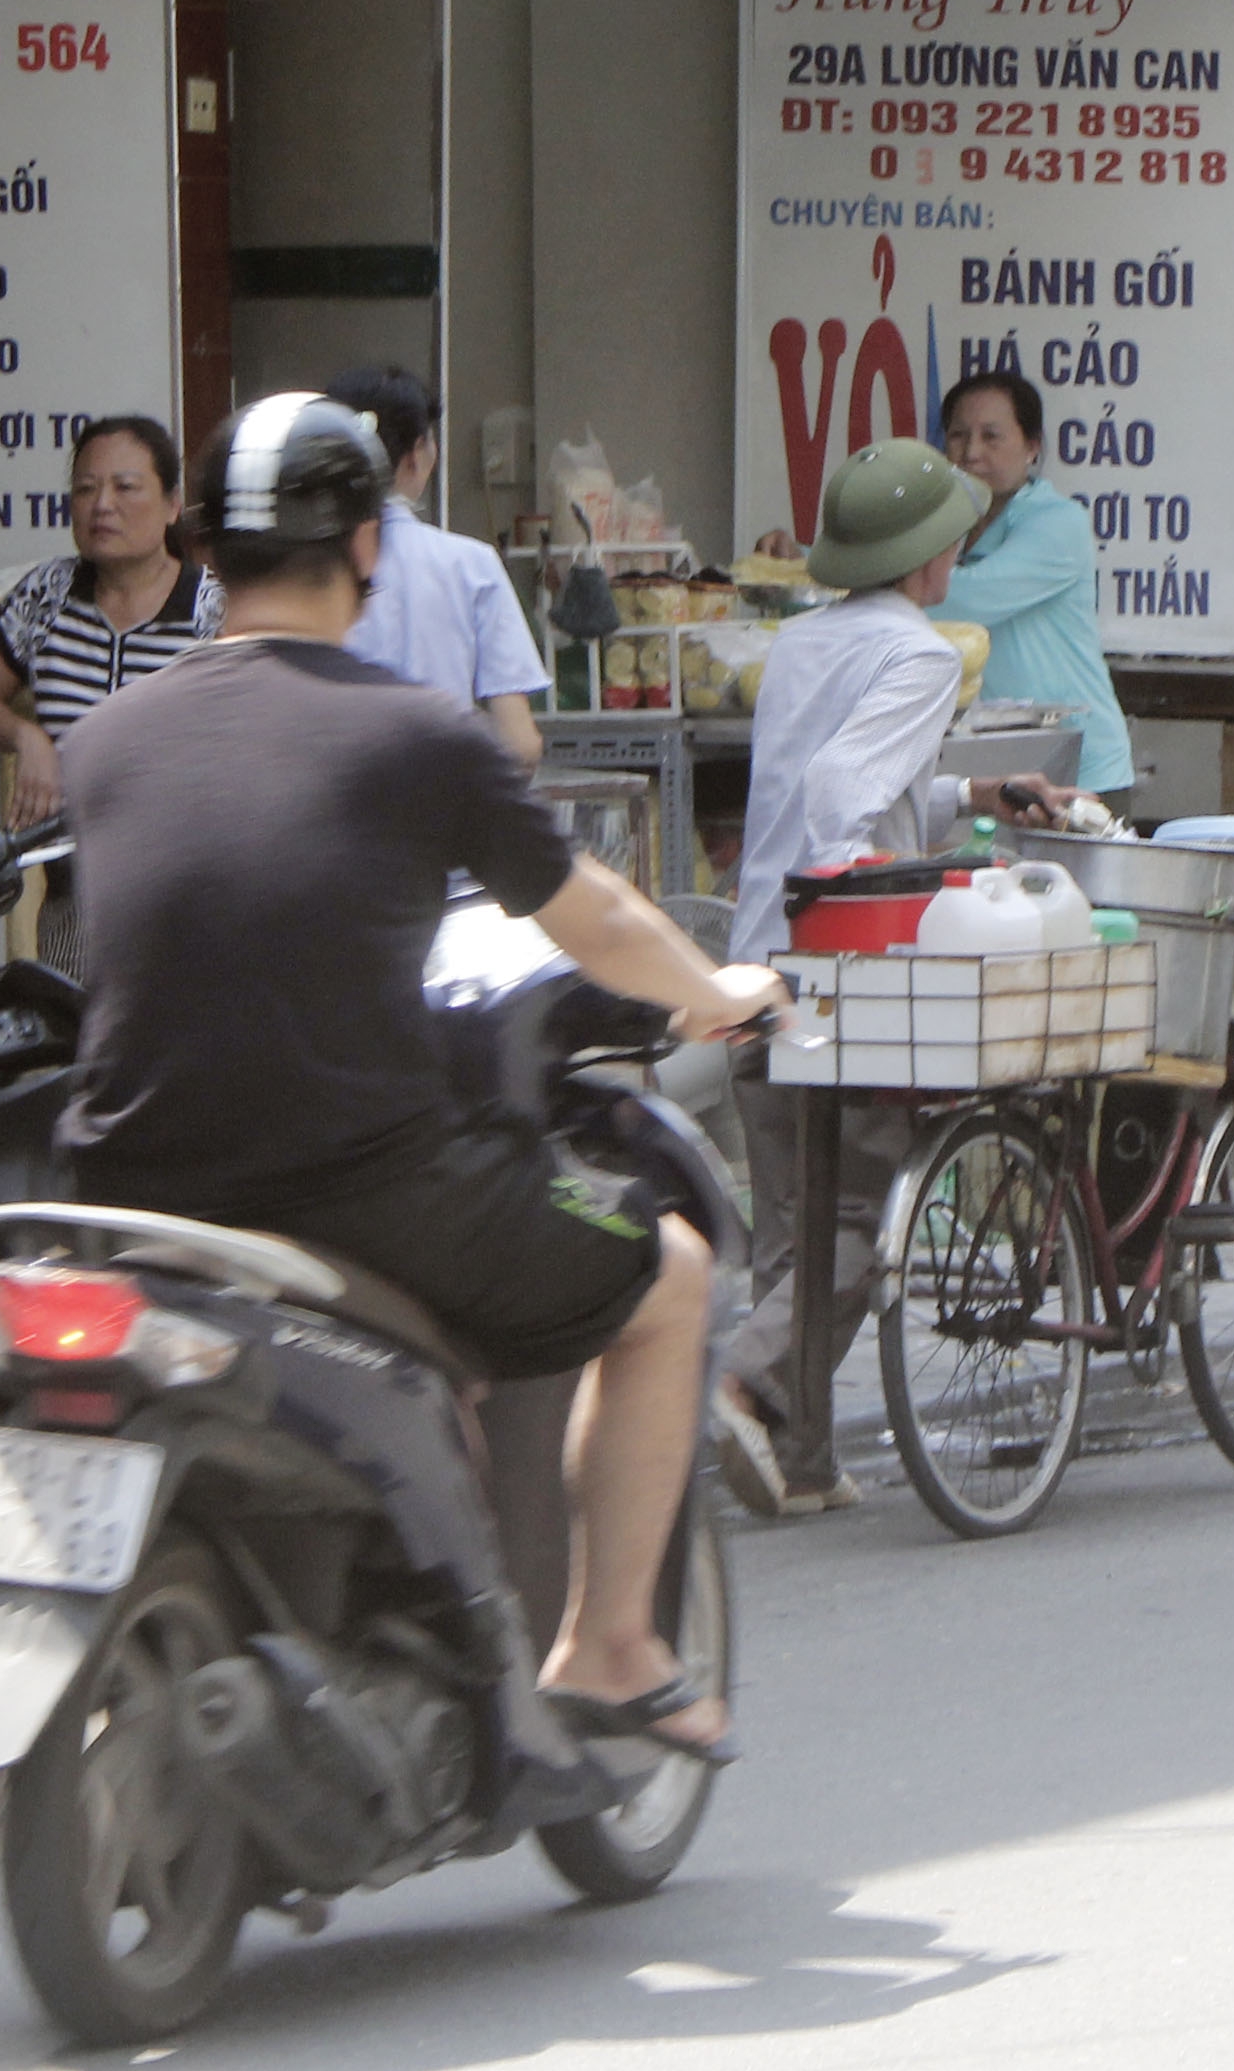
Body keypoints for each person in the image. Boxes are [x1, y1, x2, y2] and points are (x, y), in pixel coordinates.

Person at [54, 395, 784, 1760]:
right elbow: (599, 921)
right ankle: (613, 1644)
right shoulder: (416, 736)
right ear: (371, 549)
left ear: (205, 553)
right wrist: (720, 992)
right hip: (353, 1192)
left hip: (123, 1190)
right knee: (669, 1278)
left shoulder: (106, 741)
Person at [715, 437, 1067, 1508]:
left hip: (754, 960)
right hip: (838, 978)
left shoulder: (805, 641)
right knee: (867, 1219)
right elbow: (837, 792)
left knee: (795, 1227)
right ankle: (741, 1382)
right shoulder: (919, 654)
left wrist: (970, 796)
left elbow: (853, 776)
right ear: (932, 556)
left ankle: (806, 1462)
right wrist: (887, 880)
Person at [0, 416, 217, 826]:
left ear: (172, 504)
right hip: (68, 861)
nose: (102, 505)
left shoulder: (211, 610)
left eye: (125, 487)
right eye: (86, 488)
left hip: (178, 859)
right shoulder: (47, 593)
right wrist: (26, 737)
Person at [325, 363, 548, 767]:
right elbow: (520, 743)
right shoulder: (472, 565)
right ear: (418, 455)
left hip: (329, 807)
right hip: (442, 806)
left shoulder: (298, 566)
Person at [931, 369, 1135, 811]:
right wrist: (797, 558)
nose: (971, 452)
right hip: (995, 769)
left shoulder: (1059, 523)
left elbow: (962, 598)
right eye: (958, 436)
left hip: (1080, 770)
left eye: (992, 436)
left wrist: (832, 576)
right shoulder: (948, 528)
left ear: (1032, 447)